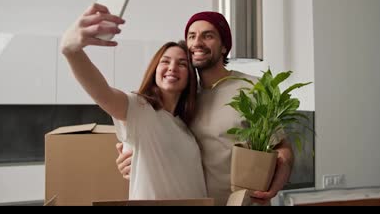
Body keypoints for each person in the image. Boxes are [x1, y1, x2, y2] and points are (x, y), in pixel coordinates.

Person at [116, 11, 294, 205]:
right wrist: (136, 158)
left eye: (208, 36)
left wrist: (276, 182)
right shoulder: (186, 97)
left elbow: (282, 148)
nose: (197, 42)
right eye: (191, 36)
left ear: (224, 46)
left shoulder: (253, 88)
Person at [60, 3, 207, 200]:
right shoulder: (140, 109)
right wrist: (71, 51)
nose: (172, 67)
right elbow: (103, 93)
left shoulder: (185, 128)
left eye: (182, 64)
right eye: (165, 61)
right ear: (155, 69)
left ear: (190, 76)